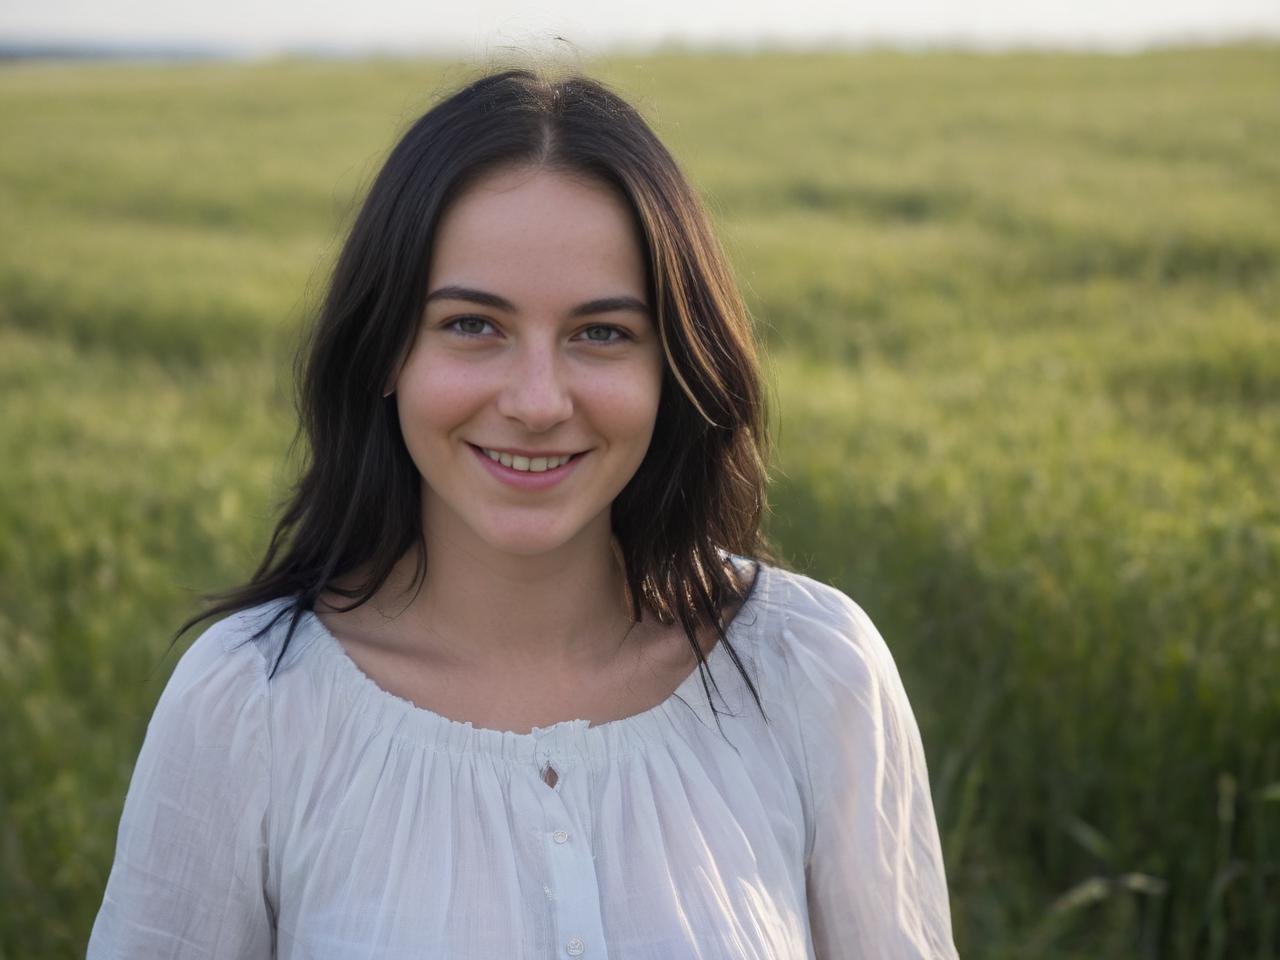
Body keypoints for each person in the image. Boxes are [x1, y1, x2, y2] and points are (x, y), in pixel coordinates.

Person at [87, 69, 958, 959]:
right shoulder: (248, 705)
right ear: (387, 349)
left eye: (602, 333)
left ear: (673, 369)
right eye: (472, 325)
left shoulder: (811, 671)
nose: (538, 401)